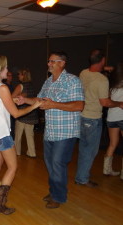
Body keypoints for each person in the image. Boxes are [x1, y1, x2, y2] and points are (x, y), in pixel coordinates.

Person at [23, 51, 84, 209]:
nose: (48, 64)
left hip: (66, 132)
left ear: (62, 63)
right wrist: (24, 100)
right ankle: (55, 190)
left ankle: (59, 196)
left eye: (52, 61)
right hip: (50, 131)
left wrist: (54, 104)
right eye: (48, 61)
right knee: (50, 163)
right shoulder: (48, 82)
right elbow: (39, 100)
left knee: (57, 163)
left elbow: (79, 105)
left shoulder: (72, 81)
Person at [0, 55, 41, 215]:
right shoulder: (2, 88)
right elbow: (15, 114)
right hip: (0, 133)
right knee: (12, 167)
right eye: (6, 68)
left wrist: (16, 99)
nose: (8, 71)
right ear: (0, 69)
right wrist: (35, 105)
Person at [75, 49, 123, 187]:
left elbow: (94, 78)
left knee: (84, 149)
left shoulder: (83, 73)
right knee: (90, 151)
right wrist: (119, 104)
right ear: (103, 60)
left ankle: (80, 177)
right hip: (93, 118)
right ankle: (82, 179)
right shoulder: (102, 80)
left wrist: (108, 69)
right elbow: (105, 102)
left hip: (82, 116)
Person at [11, 68, 38, 157]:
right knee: (30, 136)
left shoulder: (20, 86)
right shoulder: (32, 85)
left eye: (19, 74)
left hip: (22, 114)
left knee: (18, 136)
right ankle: (32, 153)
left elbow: (11, 98)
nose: (18, 76)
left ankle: (17, 152)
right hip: (31, 113)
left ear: (23, 75)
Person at [104, 62, 123, 177]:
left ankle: (107, 170)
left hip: (111, 118)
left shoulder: (110, 86)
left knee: (112, 144)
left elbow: (107, 101)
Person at [3, 71, 15, 138]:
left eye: (11, 75)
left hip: (11, 110)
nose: (10, 77)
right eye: (8, 75)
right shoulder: (4, 86)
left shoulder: (11, 86)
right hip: (7, 110)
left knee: (12, 128)